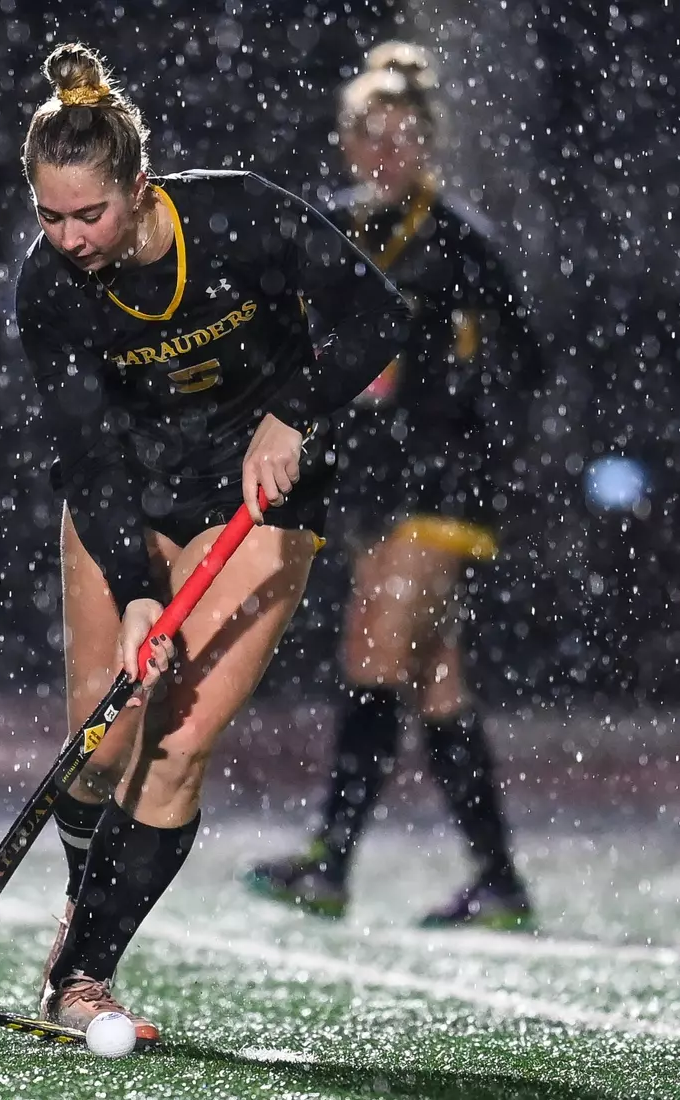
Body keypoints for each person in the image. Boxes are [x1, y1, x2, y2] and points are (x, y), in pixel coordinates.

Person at [16, 43, 408, 1043]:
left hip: (256, 496)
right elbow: (84, 450)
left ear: (137, 187)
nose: (68, 237)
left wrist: (293, 409)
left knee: (179, 743)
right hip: (130, 494)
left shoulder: (236, 214)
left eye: (88, 214)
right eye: (49, 216)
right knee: (101, 738)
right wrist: (130, 583)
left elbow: (376, 312)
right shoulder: (50, 288)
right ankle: (85, 900)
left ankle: (83, 974)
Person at [243, 43, 542, 930]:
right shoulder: (333, 225)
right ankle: (498, 878)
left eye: (404, 135)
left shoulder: (457, 236)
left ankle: (330, 862)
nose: (386, 151)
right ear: (345, 140)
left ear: (430, 142)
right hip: (374, 484)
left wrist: (453, 377)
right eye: (370, 135)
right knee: (434, 679)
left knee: (371, 649)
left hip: (441, 485)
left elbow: (527, 358)